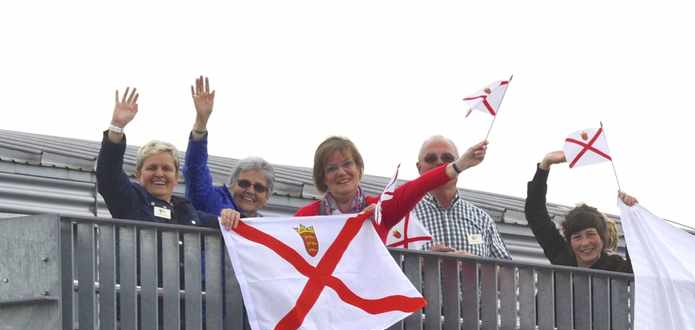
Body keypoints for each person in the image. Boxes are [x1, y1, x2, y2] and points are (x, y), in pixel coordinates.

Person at [292, 136, 487, 241]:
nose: (341, 172)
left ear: (359, 169)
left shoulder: (380, 209)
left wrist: (459, 165)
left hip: (368, 309)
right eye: (331, 168)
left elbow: (418, 186)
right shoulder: (306, 217)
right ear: (322, 177)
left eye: (347, 164)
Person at [96, 87, 217, 227]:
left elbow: (234, 228)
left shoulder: (187, 211)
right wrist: (117, 127)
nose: (159, 174)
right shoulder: (130, 200)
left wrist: (229, 216)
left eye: (166, 168)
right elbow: (109, 174)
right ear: (138, 174)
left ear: (177, 177)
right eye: (152, 168)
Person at [181, 76, 275, 231]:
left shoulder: (268, 229)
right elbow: (195, 169)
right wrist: (201, 122)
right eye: (244, 183)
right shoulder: (212, 199)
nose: (250, 191)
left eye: (259, 188)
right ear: (232, 184)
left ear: (266, 197)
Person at [525, 150, 633, 272]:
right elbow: (536, 214)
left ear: (603, 237)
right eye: (577, 237)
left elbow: (641, 260)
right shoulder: (563, 256)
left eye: (590, 234)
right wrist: (545, 164)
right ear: (569, 241)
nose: (585, 243)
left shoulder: (616, 266)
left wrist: (632, 215)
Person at [411, 135, 511, 259]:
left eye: (447, 158)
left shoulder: (482, 219)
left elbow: (509, 273)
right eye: (431, 159)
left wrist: (476, 266)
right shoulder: (403, 217)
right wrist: (422, 264)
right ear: (419, 167)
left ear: (459, 164)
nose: (439, 162)